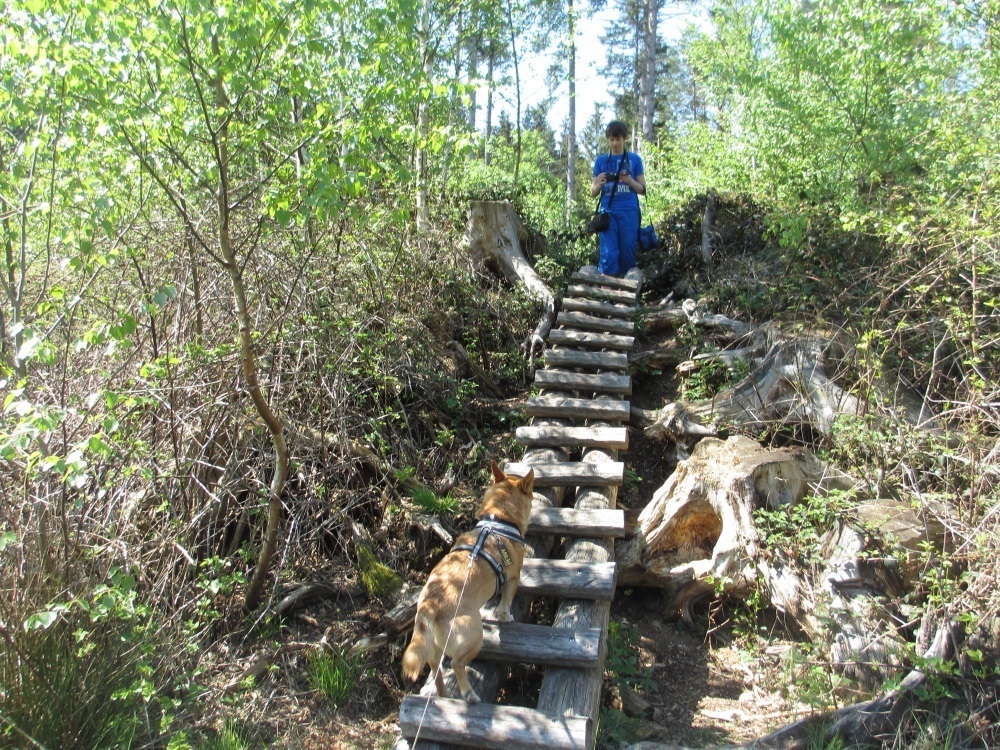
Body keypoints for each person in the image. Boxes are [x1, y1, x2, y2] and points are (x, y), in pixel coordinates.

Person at [591, 120, 647, 277]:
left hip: (629, 211)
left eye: (618, 139)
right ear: (608, 140)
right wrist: (599, 184)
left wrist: (630, 181)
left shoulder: (634, 160)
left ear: (624, 139)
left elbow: (642, 189)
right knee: (608, 254)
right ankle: (606, 293)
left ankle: (625, 295)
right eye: (612, 139)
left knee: (627, 253)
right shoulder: (601, 162)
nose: (615, 143)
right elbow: (592, 193)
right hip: (608, 213)